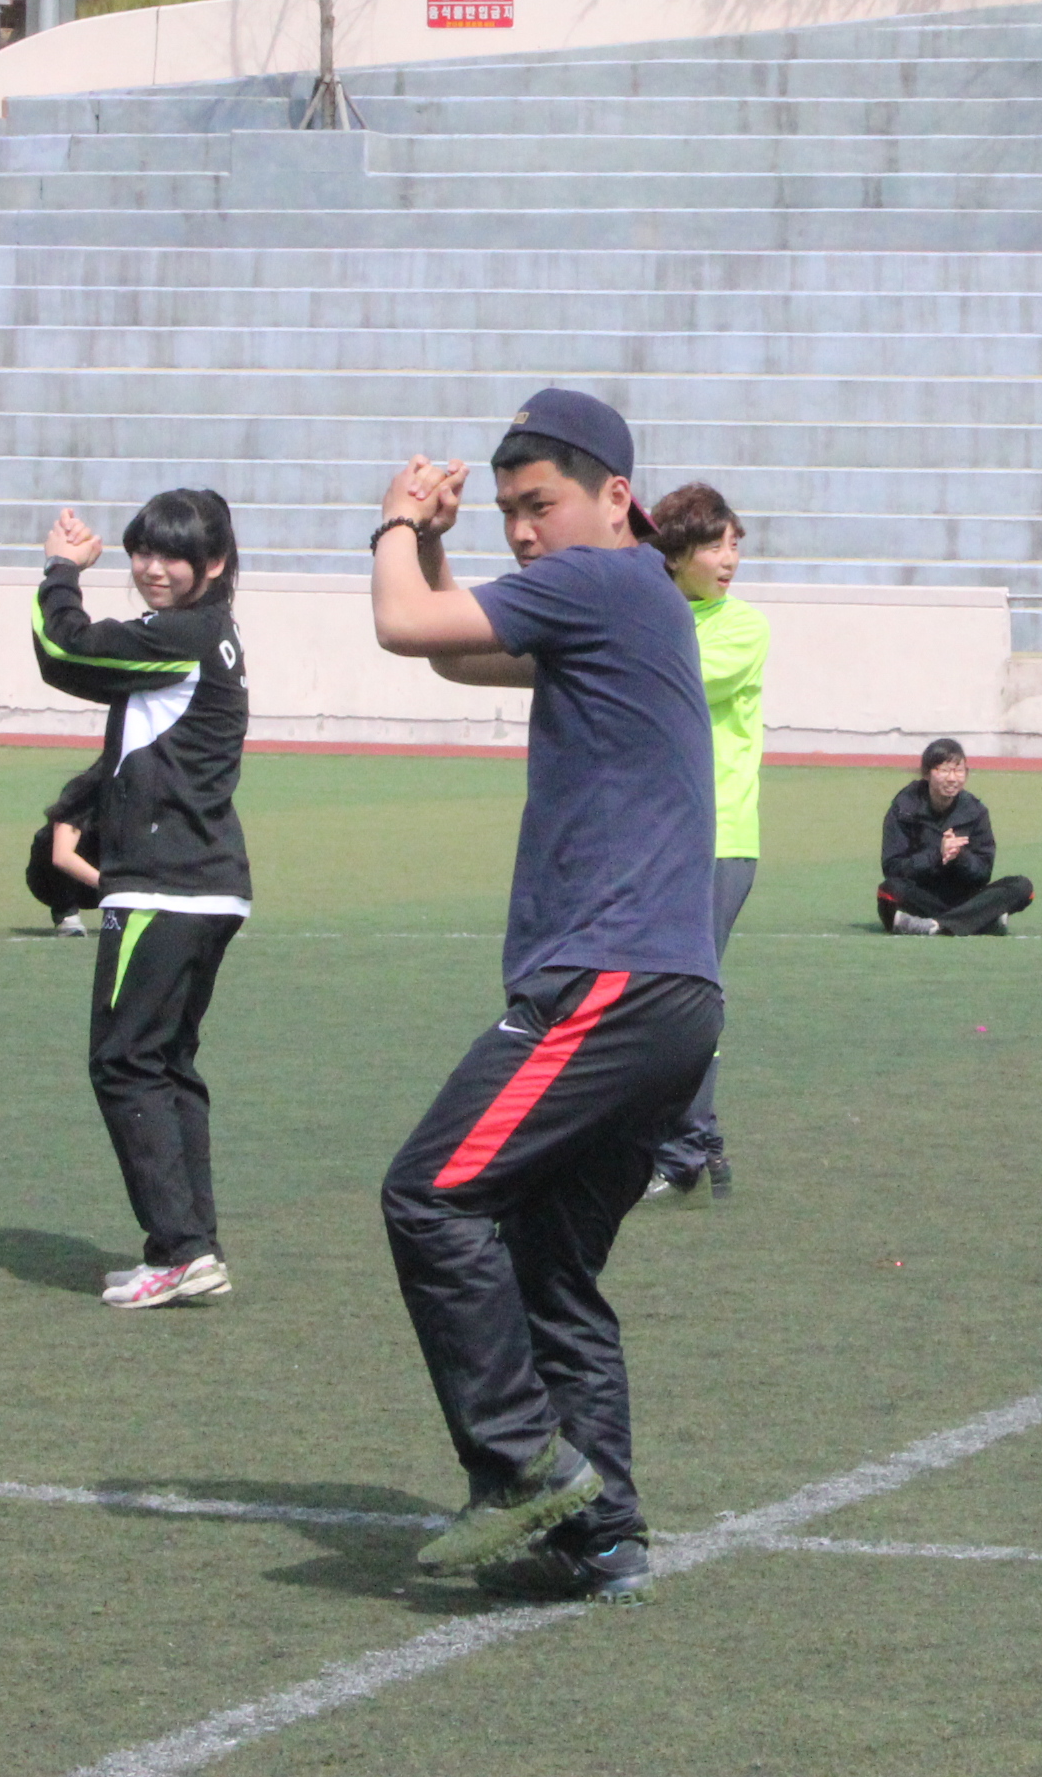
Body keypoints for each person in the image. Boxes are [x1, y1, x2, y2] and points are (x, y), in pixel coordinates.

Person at [369, 388, 723, 1608]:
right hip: (671, 996)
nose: (523, 532)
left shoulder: (604, 580)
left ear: (616, 499)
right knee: (547, 1267)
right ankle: (602, 1535)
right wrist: (436, 547)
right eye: (509, 513)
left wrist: (396, 524)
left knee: (430, 1195)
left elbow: (402, 626)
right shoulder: (622, 601)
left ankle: (524, 1462)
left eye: (541, 505)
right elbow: (458, 651)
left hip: (609, 983)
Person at [35, 490, 252, 1312]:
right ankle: (193, 1246)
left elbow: (65, 648)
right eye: (143, 552)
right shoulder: (209, 635)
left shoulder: (182, 635)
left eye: (172, 556)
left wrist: (61, 571)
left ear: (214, 563)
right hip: (206, 884)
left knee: (125, 1062)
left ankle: (181, 1247)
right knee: (165, 1064)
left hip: (166, 884)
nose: (152, 569)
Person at [646, 482, 767, 1201]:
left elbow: (665, 679)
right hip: (659, 834)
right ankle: (697, 1141)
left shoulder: (742, 626)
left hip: (719, 837)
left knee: (685, 994)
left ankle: (684, 1150)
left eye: (734, 545)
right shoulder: (653, 614)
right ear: (674, 554)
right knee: (661, 990)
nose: (730, 560)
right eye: (715, 545)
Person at [879, 738, 1036, 936]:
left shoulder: (975, 811)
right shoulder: (904, 808)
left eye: (959, 771)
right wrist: (937, 855)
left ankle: (936, 925)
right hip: (921, 894)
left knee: (1022, 887)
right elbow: (892, 868)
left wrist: (960, 856)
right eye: (944, 771)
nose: (952, 778)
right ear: (927, 773)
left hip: (965, 897)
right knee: (890, 890)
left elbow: (983, 873)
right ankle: (980, 920)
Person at [25, 756, 110, 934]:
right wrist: (112, 886)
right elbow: (62, 857)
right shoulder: (83, 791)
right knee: (52, 837)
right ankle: (66, 914)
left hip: (114, 879)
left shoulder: (151, 796)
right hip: (54, 882)